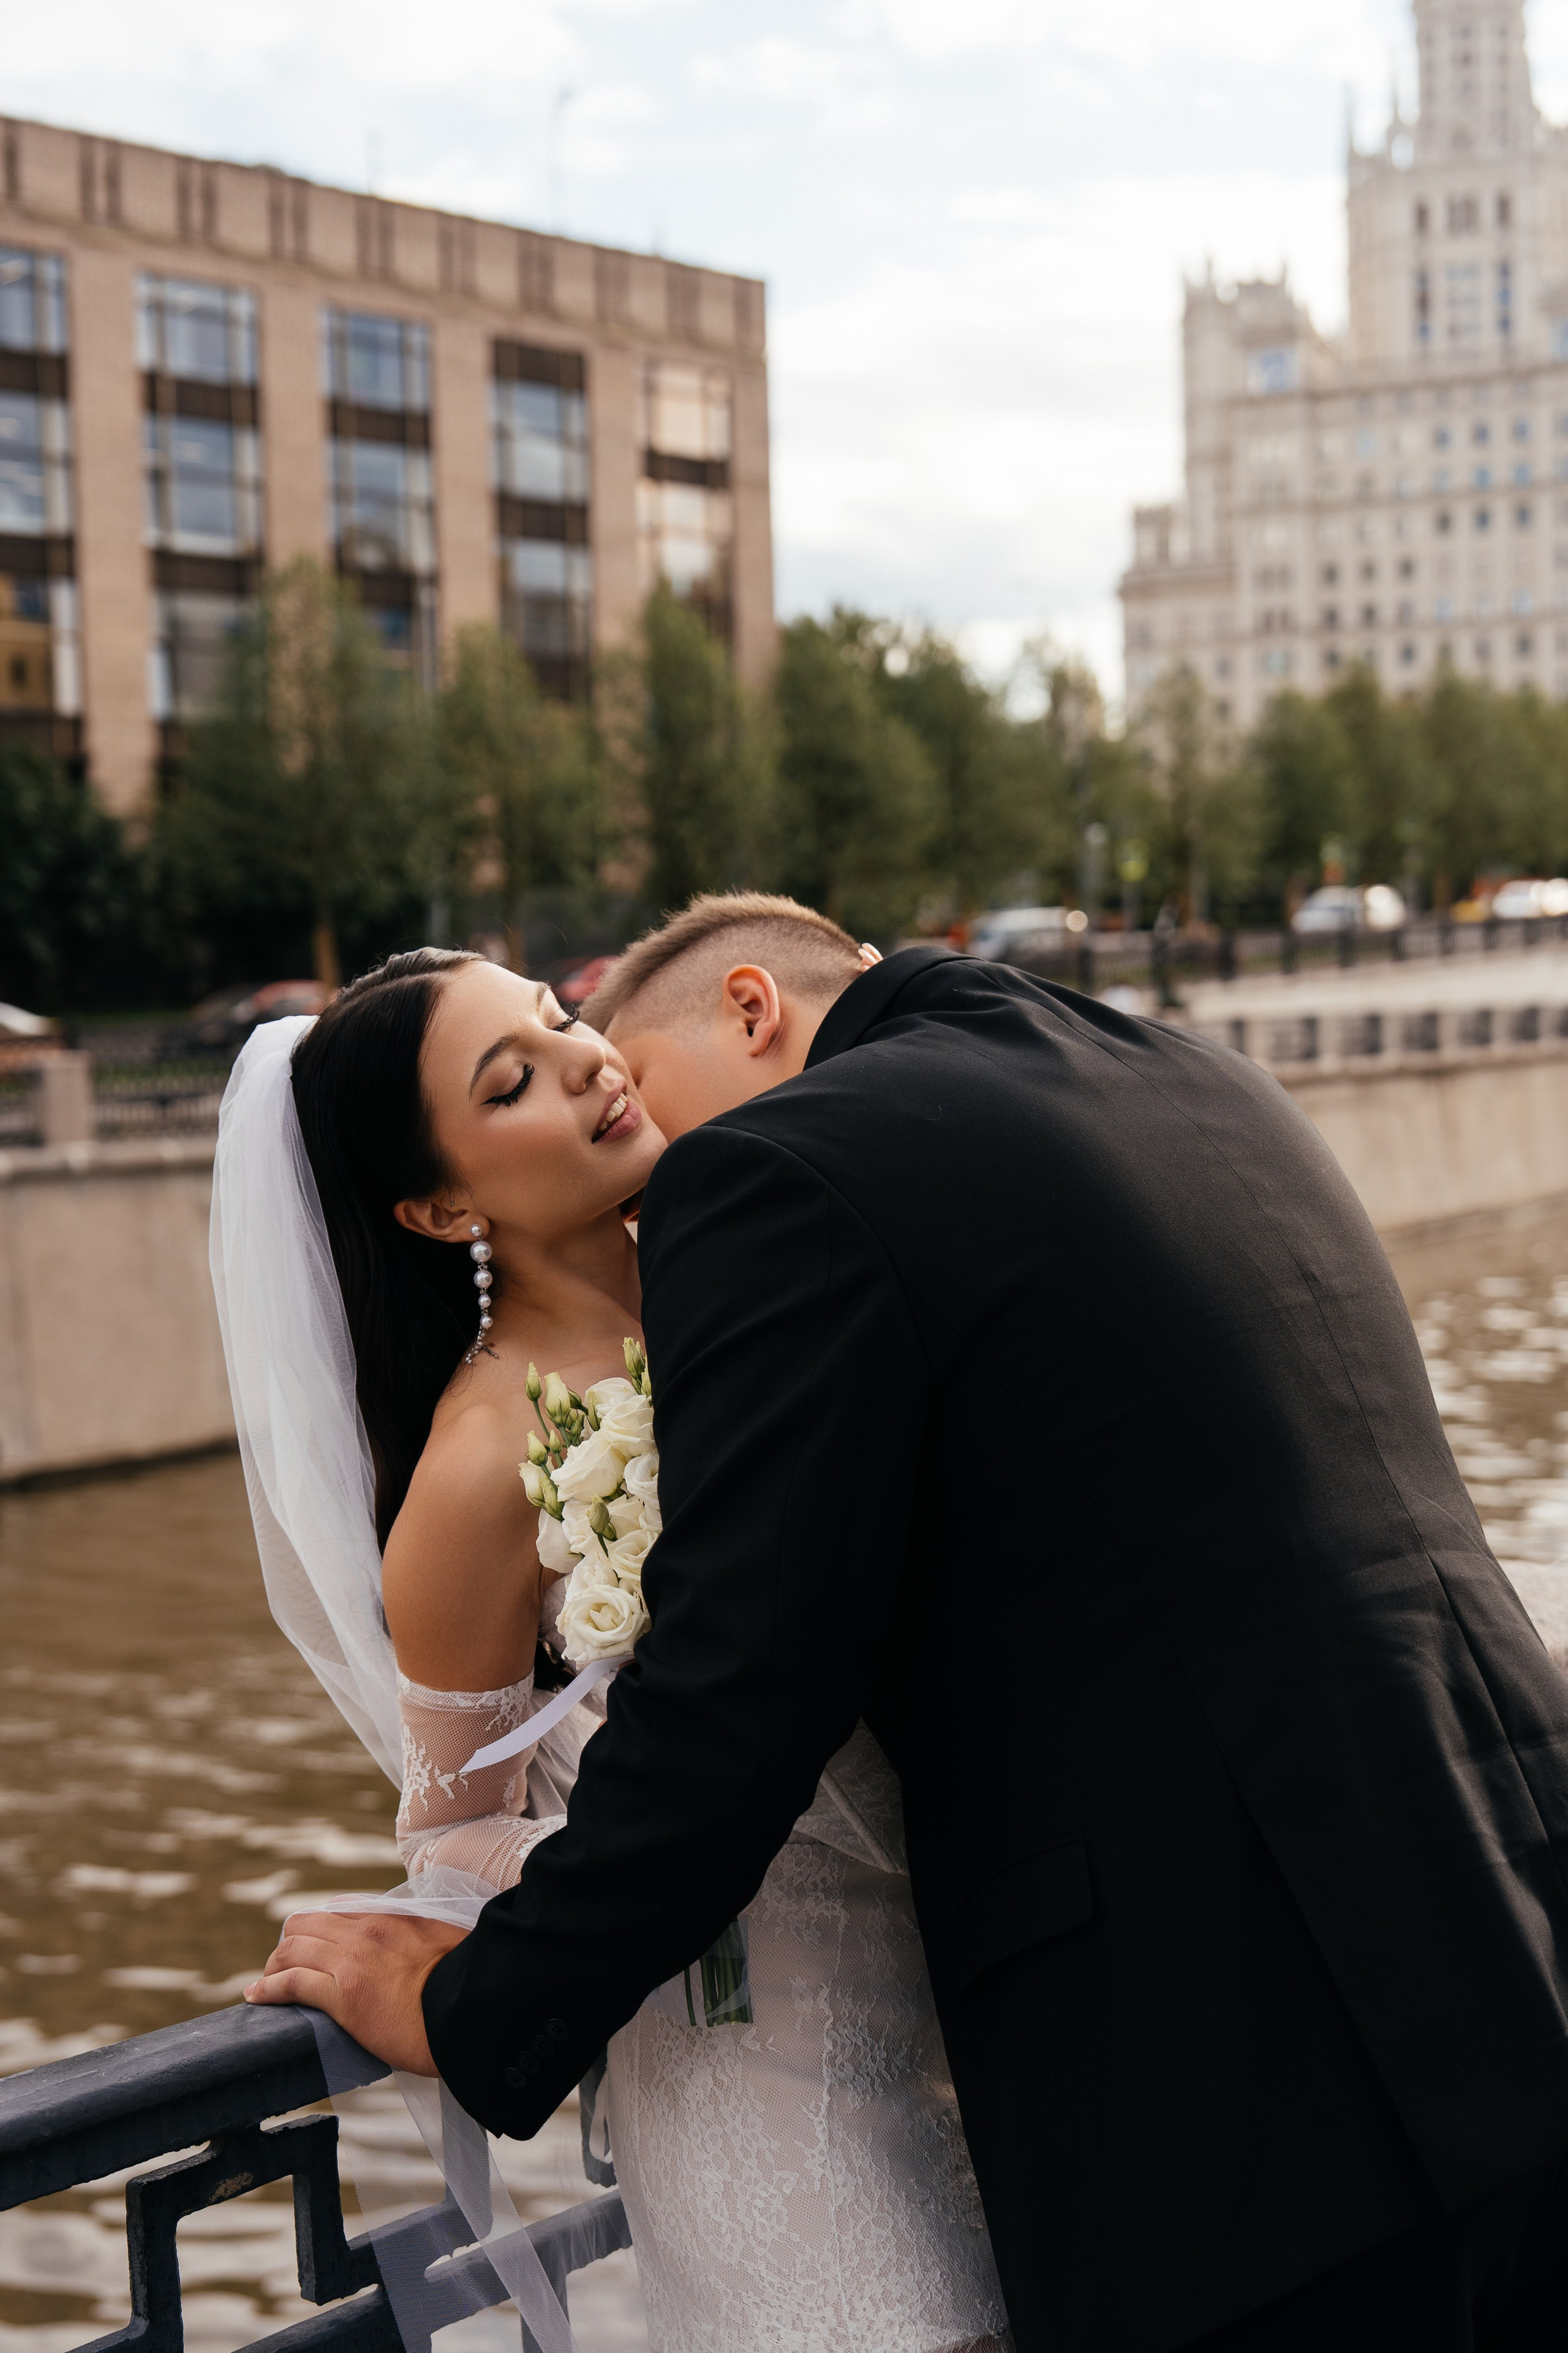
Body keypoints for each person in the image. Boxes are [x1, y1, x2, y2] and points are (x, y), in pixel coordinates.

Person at [250, 893, 1568, 2353]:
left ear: (754, 1012)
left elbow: (738, 1695)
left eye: (577, 1031)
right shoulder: (1187, 1075)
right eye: (520, 1068)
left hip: (1251, 2103)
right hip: (1512, 1967)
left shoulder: (783, 1170)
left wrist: (482, 2014)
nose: (614, 1099)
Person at [215, 940, 1008, 2353]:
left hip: (974, 2026)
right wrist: (645, 1846)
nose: (585, 1057)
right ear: (437, 1200)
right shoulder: (476, 1465)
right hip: (758, 2087)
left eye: (561, 1017)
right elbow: (453, 1831)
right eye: (512, 1078)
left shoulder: (754, 1290)